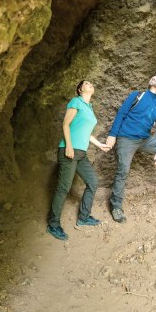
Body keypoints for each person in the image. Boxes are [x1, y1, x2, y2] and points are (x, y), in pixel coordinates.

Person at [106, 75, 156, 223]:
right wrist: (112, 134)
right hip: (126, 138)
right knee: (123, 169)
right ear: (150, 83)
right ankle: (116, 206)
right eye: (154, 77)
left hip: (144, 140)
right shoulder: (137, 96)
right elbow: (121, 113)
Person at [47, 80, 110, 241]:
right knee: (63, 188)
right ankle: (53, 225)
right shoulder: (76, 101)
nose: (91, 84)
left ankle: (83, 217)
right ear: (80, 89)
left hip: (81, 153)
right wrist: (68, 145)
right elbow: (66, 124)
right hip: (69, 150)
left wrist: (100, 145)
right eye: (87, 83)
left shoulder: (89, 108)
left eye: (91, 83)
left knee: (93, 182)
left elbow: (86, 133)